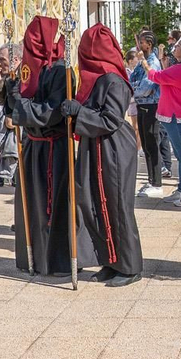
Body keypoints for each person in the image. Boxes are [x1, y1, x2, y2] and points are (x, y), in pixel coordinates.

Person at [61, 24, 145, 285]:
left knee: (117, 205)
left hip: (113, 148)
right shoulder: (96, 78)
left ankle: (130, 266)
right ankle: (111, 259)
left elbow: (110, 119)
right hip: (95, 145)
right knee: (96, 202)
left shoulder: (113, 80)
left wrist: (78, 112)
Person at [3, 16, 83, 276]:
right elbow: (15, 104)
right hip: (31, 146)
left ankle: (55, 261)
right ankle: (33, 257)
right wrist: (8, 90)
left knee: (52, 203)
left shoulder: (60, 71)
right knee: (31, 204)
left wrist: (21, 105)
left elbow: (53, 111)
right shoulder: (29, 69)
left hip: (53, 148)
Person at [148, 35, 181, 201]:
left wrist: (145, 64)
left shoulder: (180, 69)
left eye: (178, 46)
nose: (175, 48)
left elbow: (156, 76)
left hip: (177, 116)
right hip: (175, 115)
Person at [130, 30, 165, 199]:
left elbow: (147, 86)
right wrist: (134, 89)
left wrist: (134, 91)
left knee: (152, 144)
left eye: (142, 42)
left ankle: (157, 182)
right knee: (145, 144)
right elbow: (133, 80)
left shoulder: (153, 62)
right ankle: (151, 179)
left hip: (151, 106)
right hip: (141, 106)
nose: (139, 45)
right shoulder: (141, 62)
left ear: (149, 44)